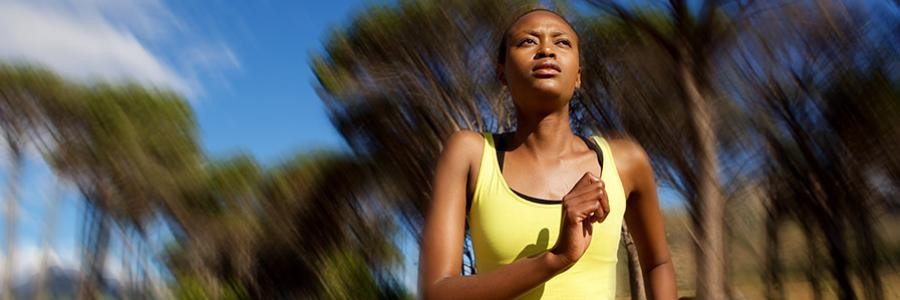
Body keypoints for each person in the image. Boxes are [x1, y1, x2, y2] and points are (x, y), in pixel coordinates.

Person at [418, 8, 677, 299]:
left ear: (578, 75)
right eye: (528, 42)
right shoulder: (470, 155)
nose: (546, 50)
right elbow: (436, 291)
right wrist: (556, 258)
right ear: (501, 72)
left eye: (562, 42)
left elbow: (658, 262)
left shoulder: (626, 161)